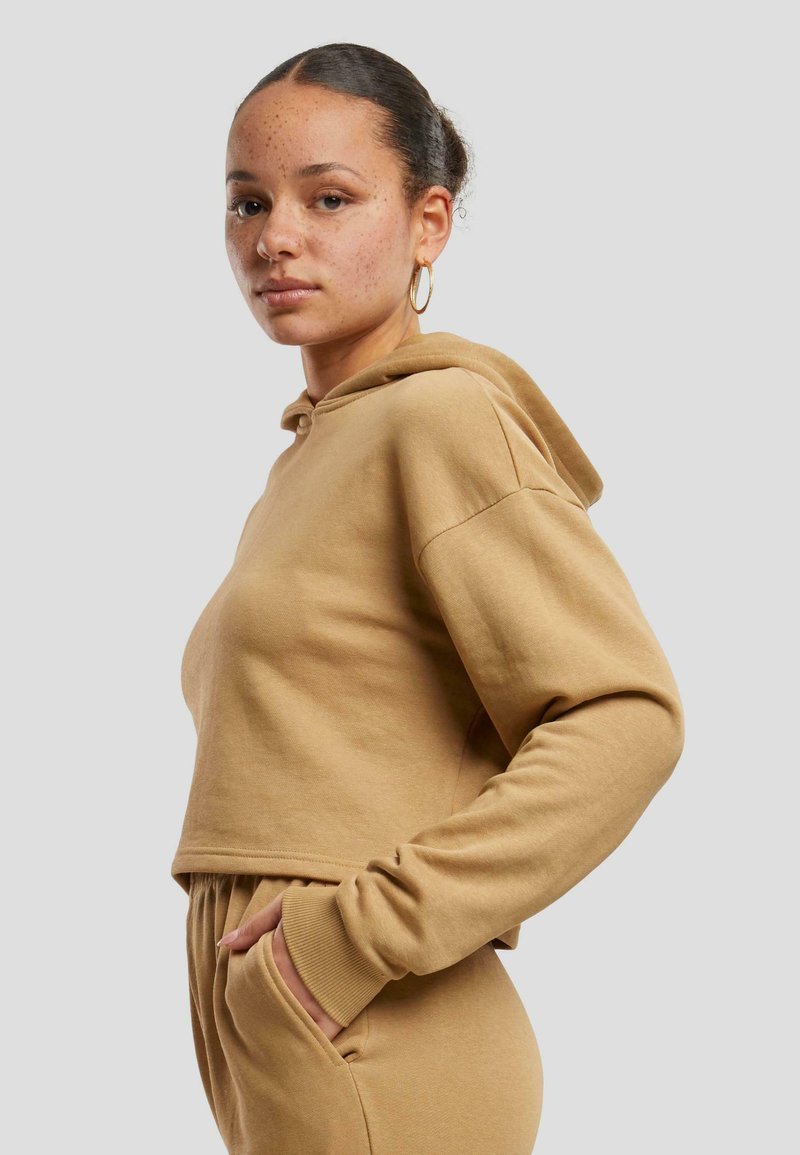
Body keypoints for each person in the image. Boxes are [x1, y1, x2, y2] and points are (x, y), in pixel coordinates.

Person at [170, 41, 685, 1155]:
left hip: (375, 1020)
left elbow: (624, 717)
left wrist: (349, 941)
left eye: (329, 198)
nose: (275, 237)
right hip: (291, 1012)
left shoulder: (439, 420)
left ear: (428, 223)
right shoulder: (316, 456)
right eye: (248, 201)